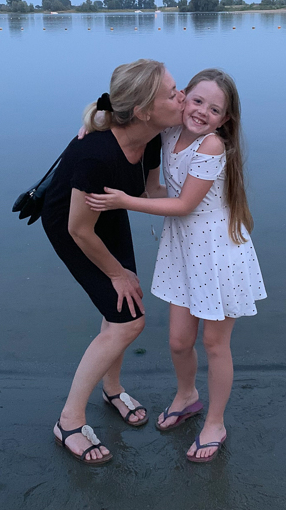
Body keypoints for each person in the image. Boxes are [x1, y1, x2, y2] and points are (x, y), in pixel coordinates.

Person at [86, 68, 266, 463]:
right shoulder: (170, 132)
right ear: (182, 96)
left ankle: (215, 423)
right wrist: (93, 127)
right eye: (197, 101)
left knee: (215, 344)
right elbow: (128, 118)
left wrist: (124, 202)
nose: (202, 112)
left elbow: (184, 204)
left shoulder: (212, 145)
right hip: (185, 251)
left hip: (218, 253)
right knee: (179, 342)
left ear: (225, 119)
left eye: (214, 109)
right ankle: (187, 396)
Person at [41, 59, 184, 465]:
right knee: (129, 320)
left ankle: (113, 389)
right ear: (143, 110)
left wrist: (201, 200)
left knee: (119, 310)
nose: (182, 97)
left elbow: (150, 190)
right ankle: (69, 422)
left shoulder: (153, 135)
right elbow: (79, 229)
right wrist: (116, 273)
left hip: (110, 209)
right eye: (172, 93)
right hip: (72, 225)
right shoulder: (96, 155)